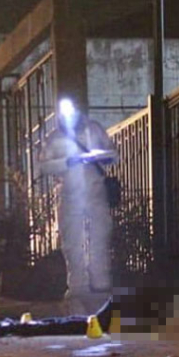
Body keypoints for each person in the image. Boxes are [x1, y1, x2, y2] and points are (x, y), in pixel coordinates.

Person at [37, 98, 118, 301]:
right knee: (72, 241)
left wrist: (99, 156)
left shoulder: (94, 129)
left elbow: (113, 154)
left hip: (95, 191)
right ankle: (77, 285)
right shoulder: (55, 138)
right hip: (69, 193)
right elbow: (44, 166)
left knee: (99, 236)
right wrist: (67, 162)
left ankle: (101, 283)